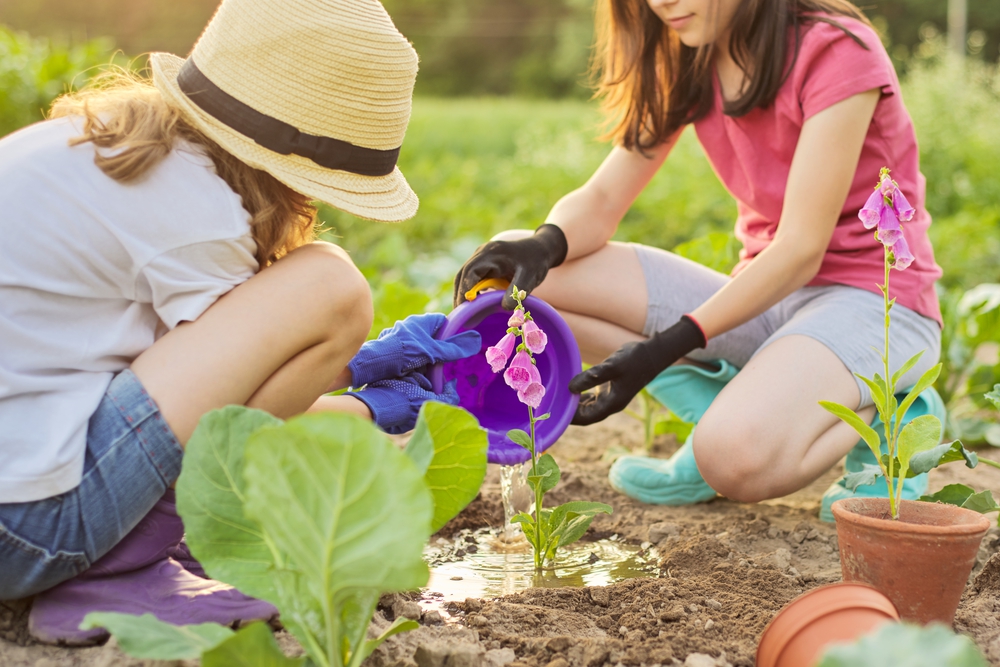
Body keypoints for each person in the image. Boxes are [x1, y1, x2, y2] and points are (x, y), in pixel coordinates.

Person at [0, 0, 479, 644]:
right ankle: (116, 569)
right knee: (332, 286)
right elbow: (223, 429)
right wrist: (369, 402)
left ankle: (119, 555)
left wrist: (359, 373)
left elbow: (186, 402)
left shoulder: (95, 145)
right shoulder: (198, 213)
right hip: (28, 528)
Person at [453, 0, 944, 518]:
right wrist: (546, 243)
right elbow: (601, 200)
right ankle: (727, 410)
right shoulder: (692, 55)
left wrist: (667, 346)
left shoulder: (836, 50)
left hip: (876, 304)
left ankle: (894, 410)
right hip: (769, 298)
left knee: (733, 458)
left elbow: (801, 249)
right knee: (521, 276)